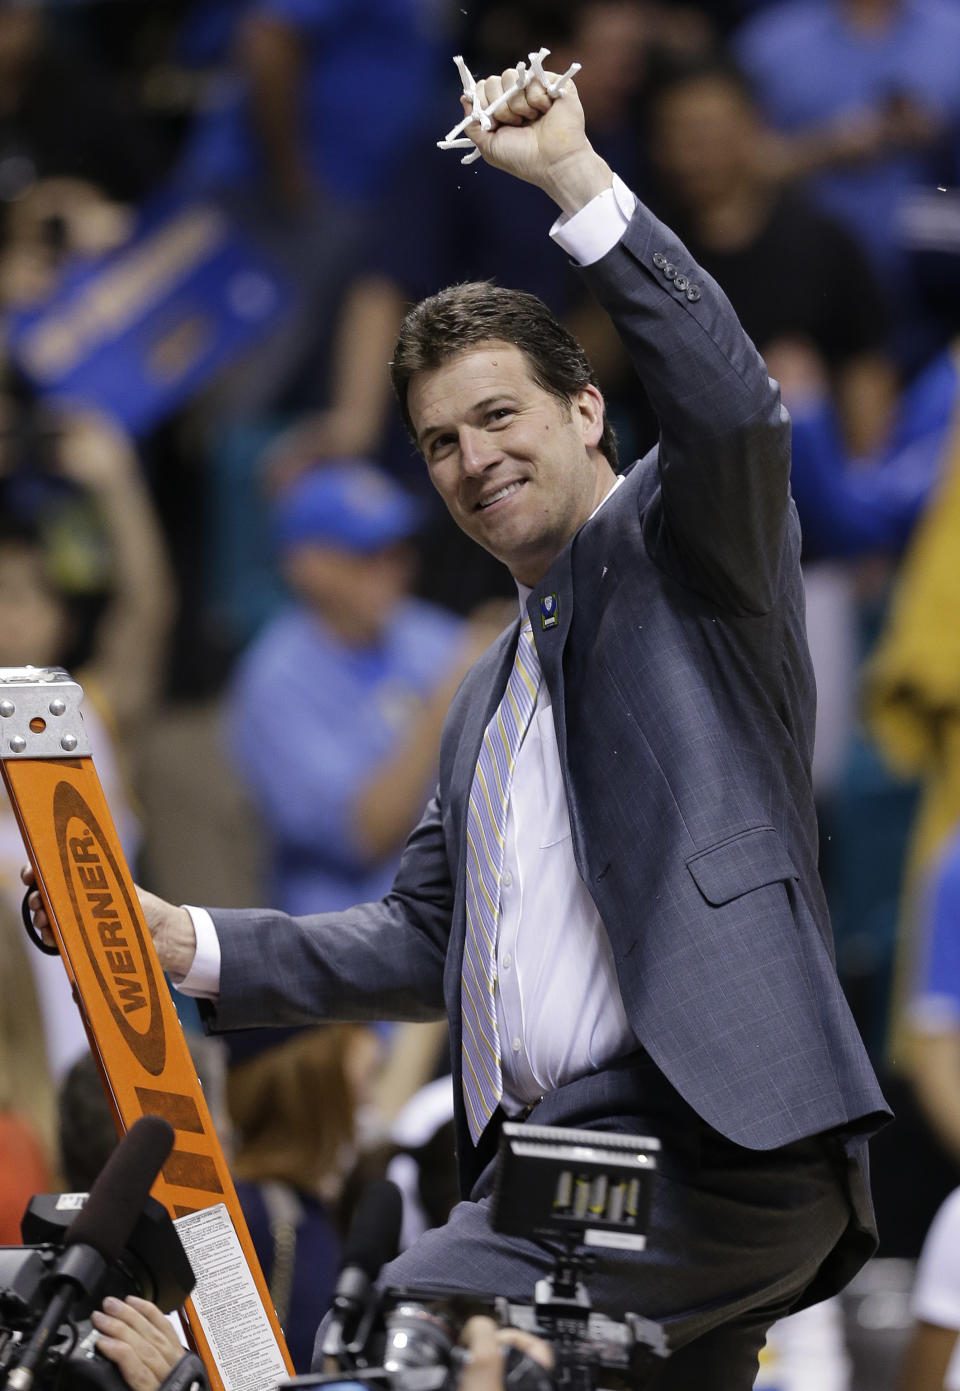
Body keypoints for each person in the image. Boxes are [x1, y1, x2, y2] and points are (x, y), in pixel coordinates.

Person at [27, 61, 889, 1389]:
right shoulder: (484, 692)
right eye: (438, 441)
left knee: (422, 1322)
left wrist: (571, 181)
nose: (472, 457)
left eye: (499, 416)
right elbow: (424, 937)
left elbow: (731, 405)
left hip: (711, 1134)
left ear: (586, 410)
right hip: (566, 1163)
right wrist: (178, 938)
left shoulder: (689, 558)